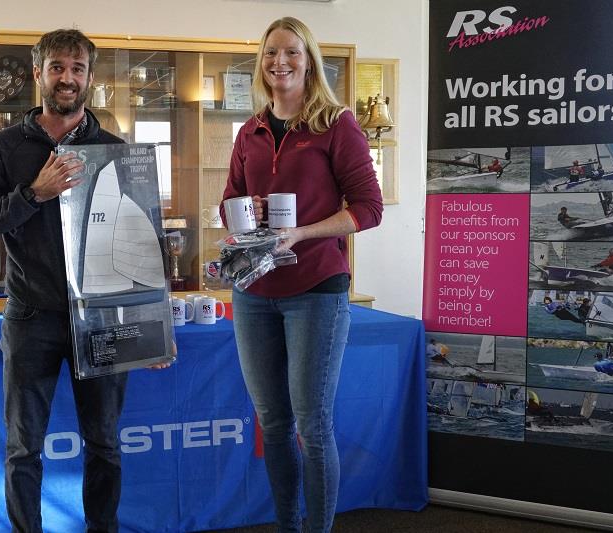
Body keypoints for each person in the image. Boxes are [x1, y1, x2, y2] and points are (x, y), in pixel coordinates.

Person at [0, 29, 168, 532]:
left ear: (90, 76)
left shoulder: (115, 151)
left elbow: (143, 247)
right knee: (23, 445)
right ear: (38, 73)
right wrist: (32, 193)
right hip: (31, 317)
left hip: (102, 318)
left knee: (104, 443)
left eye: (77, 69)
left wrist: (150, 327)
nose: (67, 78)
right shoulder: (6, 148)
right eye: (57, 67)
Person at [221, 17, 383, 533]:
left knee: (313, 427)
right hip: (253, 291)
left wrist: (303, 232)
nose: (280, 62)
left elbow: (369, 209)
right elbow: (227, 202)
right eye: (271, 53)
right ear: (261, 62)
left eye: (291, 52)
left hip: (317, 290)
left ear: (309, 60)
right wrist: (246, 211)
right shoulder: (250, 131)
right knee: (273, 423)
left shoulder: (337, 124)